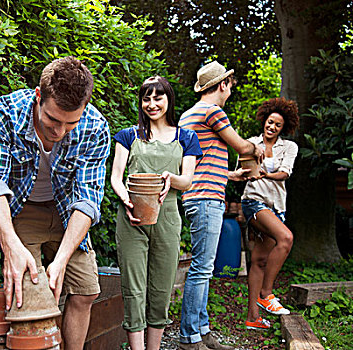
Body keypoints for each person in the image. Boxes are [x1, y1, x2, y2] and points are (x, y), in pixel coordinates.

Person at [0, 56, 110, 349]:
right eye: (52, 119)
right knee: (29, 296)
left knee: (86, 290)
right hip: (22, 210)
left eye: (70, 123)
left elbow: (87, 200)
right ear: (39, 97)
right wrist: (9, 244)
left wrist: (61, 260)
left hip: (67, 213)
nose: (59, 131)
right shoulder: (6, 112)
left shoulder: (96, 128)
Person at [111, 76, 203, 350]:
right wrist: (126, 198)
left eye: (158, 97)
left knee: (161, 290)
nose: (152, 104)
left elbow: (187, 180)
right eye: (146, 98)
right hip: (131, 219)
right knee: (134, 289)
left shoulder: (186, 137)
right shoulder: (129, 135)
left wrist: (169, 179)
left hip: (168, 218)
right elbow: (116, 177)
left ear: (168, 99)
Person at [178, 61, 264, 350]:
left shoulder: (189, 115)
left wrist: (231, 175)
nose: (230, 89)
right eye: (229, 84)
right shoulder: (213, 111)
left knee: (204, 266)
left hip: (197, 194)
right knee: (202, 268)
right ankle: (190, 338)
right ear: (222, 85)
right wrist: (257, 149)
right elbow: (241, 146)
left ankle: (202, 331)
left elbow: (196, 163)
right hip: (206, 198)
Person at [242, 98, 299, 330]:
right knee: (286, 238)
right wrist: (252, 171)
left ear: (282, 129)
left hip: (276, 206)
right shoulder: (250, 143)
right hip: (254, 202)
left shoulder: (289, 147)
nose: (272, 127)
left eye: (277, 125)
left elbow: (285, 173)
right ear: (264, 121)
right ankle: (266, 293)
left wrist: (264, 173)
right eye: (269, 122)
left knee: (259, 260)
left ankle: (252, 317)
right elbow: (246, 170)